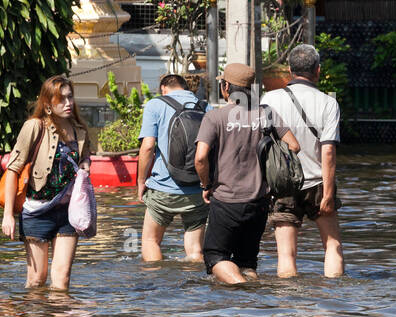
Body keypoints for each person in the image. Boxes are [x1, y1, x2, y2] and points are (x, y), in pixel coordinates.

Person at [194, 63, 300, 285]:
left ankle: (242, 287)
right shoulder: (267, 113)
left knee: (215, 257)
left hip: (226, 200)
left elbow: (200, 158)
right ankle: (252, 303)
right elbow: (293, 146)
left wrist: (206, 185)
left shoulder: (215, 117)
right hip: (259, 202)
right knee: (247, 262)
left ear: (226, 87)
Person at [1, 75, 93, 290]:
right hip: (37, 211)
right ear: (48, 103)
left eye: (70, 97)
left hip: (69, 212)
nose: (68, 103)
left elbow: (85, 155)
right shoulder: (34, 127)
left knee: (62, 280)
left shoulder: (79, 130)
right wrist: (8, 215)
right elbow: (13, 169)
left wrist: (86, 163)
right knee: (36, 280)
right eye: (62, 99)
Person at [261, 44, 344, 278]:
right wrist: (328, 194)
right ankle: (333, 304)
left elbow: (262, 145)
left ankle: (289, 308)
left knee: (286, 254)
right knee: (332, 246)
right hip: (319, 182)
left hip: (282, 182)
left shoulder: (269, 99)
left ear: (289, 70)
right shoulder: (328, 103)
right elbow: (328, 152)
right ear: (317, 70)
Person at [136, 73, 207, 262]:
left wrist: (141, 181)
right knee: (195, 251)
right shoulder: (206, 107)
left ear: (163, 89)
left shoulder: (155, 104)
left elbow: (148, 146)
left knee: (151, 241)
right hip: (197, 189)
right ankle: (196, 288)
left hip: (163, 188)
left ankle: (157, 287)